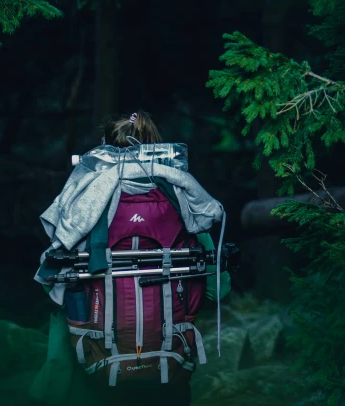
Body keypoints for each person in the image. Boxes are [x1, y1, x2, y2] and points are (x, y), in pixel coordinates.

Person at [30, 110, 230, 406]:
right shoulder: (187, 207)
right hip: (170, 366)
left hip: (97, 367)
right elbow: (217, 290)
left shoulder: (84, 208)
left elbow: (53, 286)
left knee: (63, 321)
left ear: (103, 149)